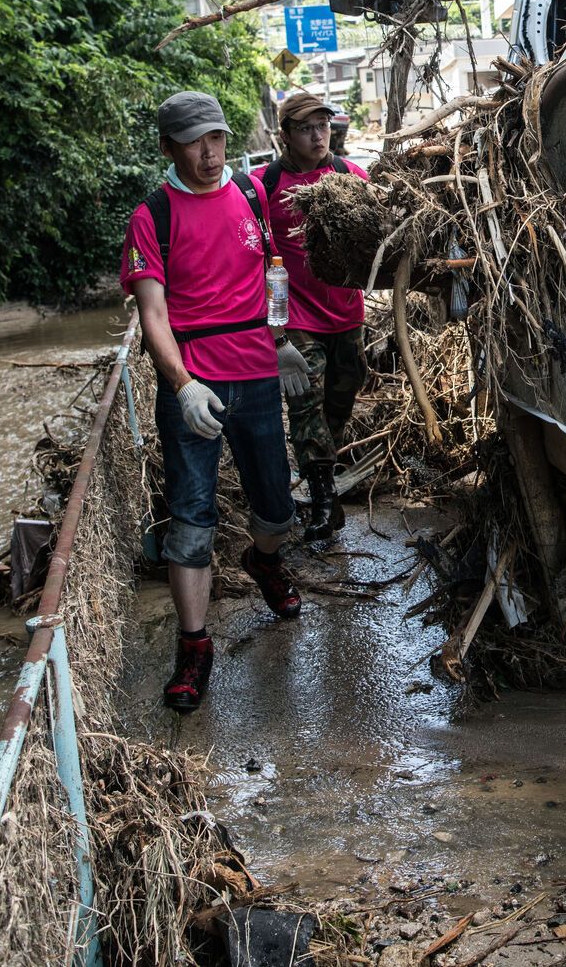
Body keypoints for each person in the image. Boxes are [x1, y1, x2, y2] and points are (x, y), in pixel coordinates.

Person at [122, 91, 301, 714]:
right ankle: (194, 646)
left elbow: (271, 271)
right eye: (195, 142)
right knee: (192, 521)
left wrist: (280, 340)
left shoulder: (252, 195)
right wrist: (180, 385)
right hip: (193, 382)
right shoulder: (154, 214)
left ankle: (263, 559)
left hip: (256, 374)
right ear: (169, 147)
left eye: (217, 138)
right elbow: (153, 315)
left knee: (277, 507)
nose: (209, 153)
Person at [263, 90, 371, 542]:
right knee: (305, 404)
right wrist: (277, 332)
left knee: (339, 402)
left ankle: (320, 470)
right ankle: (325, 504)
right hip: (298, 317)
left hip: (347, 312)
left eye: (323, 125)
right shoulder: (264, 187)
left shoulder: (350, 176)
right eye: (306, 128)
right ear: (285, 135)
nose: (317, 135)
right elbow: (256, 259)